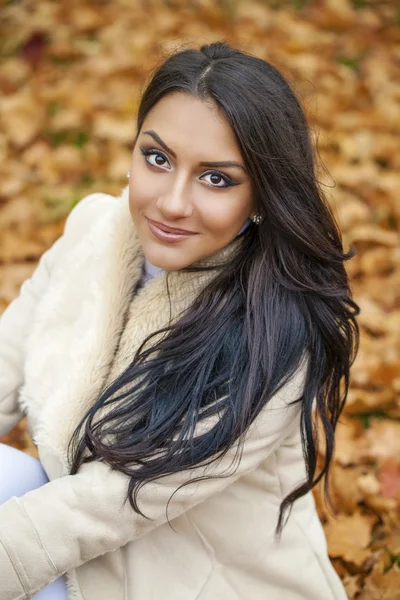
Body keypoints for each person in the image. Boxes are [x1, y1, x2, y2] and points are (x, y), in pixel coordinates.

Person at [0, 41, 359, 600]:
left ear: (261, 196)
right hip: (92, 558)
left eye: (216, 179)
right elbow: (5, 363)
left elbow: (113, 501)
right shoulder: (93, 229)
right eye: (157, 158)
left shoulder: (273, 330)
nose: (171, 202)